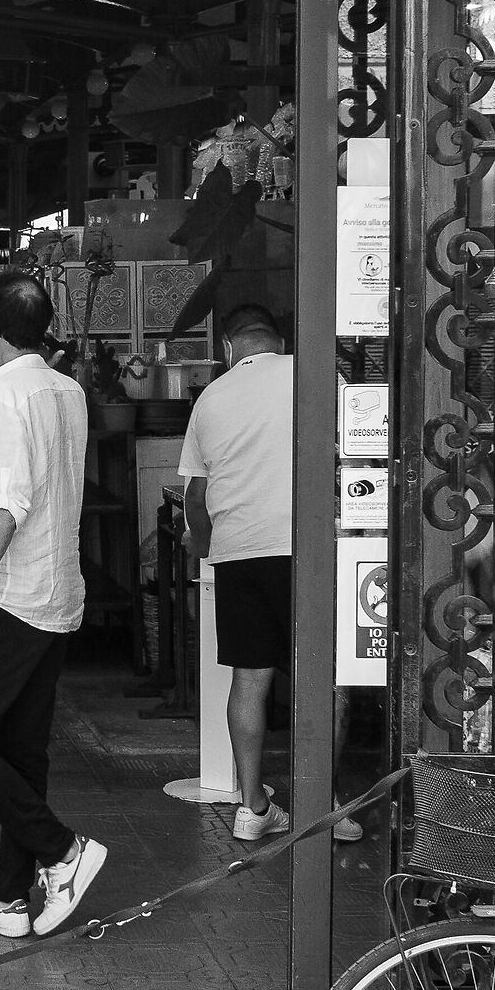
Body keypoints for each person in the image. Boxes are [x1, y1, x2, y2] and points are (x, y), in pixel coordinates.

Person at [0, 272, 108, 939]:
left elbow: (6, 503)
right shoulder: (65, 390)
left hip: (12, 594)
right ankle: (7, 894)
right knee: (22, 749)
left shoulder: (4, 394)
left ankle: (62, 850)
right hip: (58, 589)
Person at [178, 306, 351, 841]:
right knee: (326, 677)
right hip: (312, 550)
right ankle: (324, 805)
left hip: (240, 553)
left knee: (250, 680)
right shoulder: (320, 374)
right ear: (280, 340)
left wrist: (208, 551)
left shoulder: (211, 397)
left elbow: (196, 497)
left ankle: (253, 807)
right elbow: (358, 456)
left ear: (231, 346)